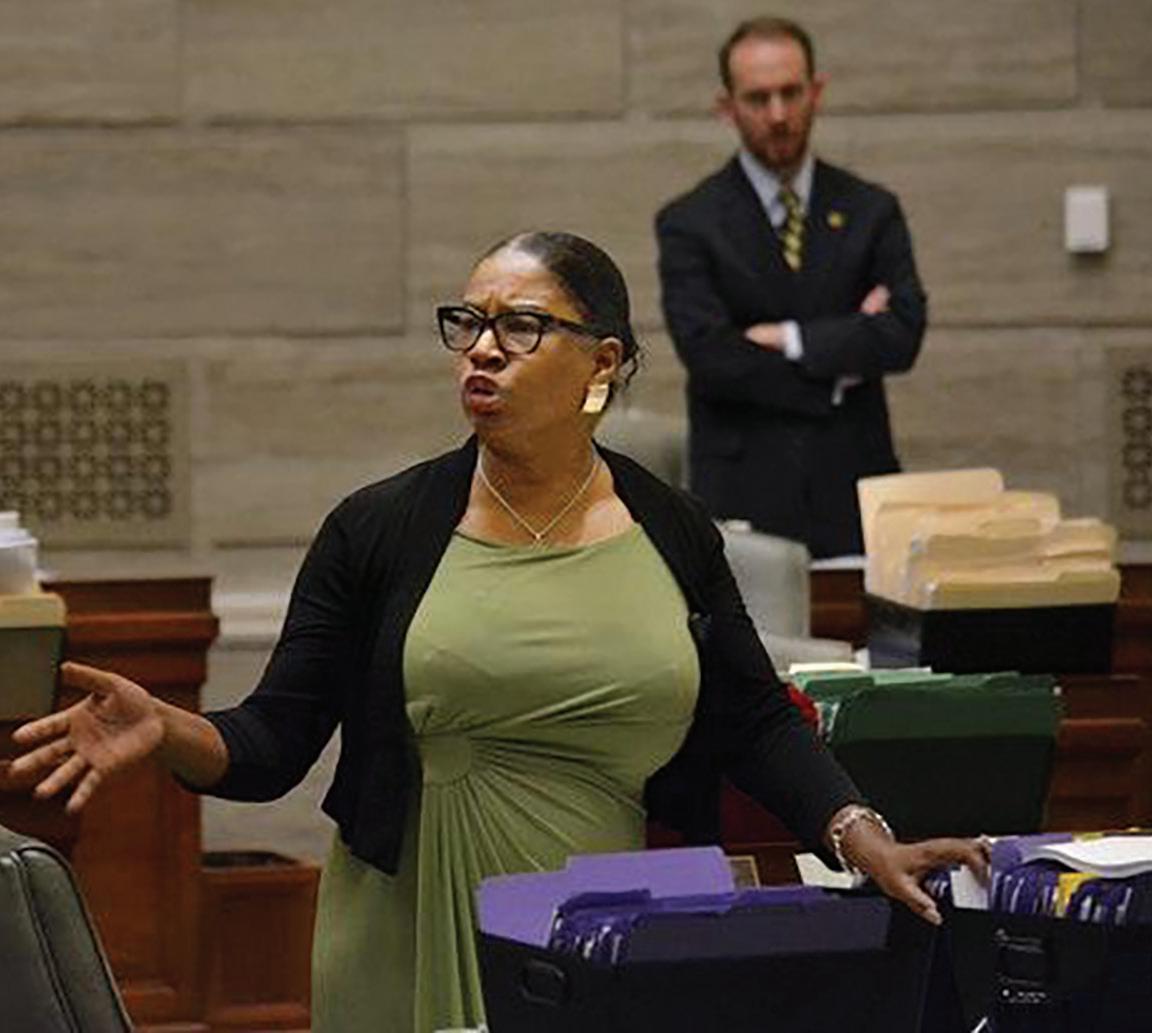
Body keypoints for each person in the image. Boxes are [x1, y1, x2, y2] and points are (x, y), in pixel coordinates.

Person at [10, 231, 981, 1033]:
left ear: (603, 362)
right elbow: (271, 742)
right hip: (405, 927)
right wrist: (167, 726)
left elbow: (756, 718)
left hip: (603, 928)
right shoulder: (379, 528)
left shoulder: (673, 531)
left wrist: (861, 835)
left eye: (520, 325)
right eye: (468, 323)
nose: (481, 349)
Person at [656, 16, 927, 558]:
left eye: (791, 93)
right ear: (727, 107)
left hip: (852, 488)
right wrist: (843, 362)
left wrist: (789, 339)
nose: (778, 115)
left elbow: (902, 333)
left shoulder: (870, 210)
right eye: (758, 98)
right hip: (743, 491)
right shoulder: (690, 222)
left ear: (816, 91)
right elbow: (711, 357)